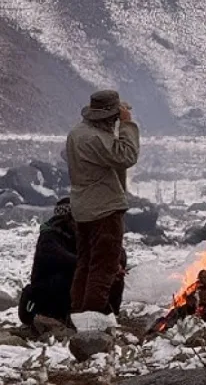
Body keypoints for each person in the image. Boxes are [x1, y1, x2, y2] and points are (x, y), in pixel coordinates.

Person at [66, 90, 139, 315]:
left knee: (86, 264)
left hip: (82, 208)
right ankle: (91, 320)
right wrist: (127, 125)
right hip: (104, 209)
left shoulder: (78, 133)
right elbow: (126, 156)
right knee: (104, 268)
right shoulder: (96, 138)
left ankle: (78, 314)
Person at [18, 198, 128, 327]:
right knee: (72, 277)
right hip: (49, 290)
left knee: (112, 277)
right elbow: (61, 259)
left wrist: (114, 265)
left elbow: (116, 251)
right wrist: (99, 265)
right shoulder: (50, 237)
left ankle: (107, 315)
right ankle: (72, 317)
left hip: (70, 286)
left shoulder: (85, 233)